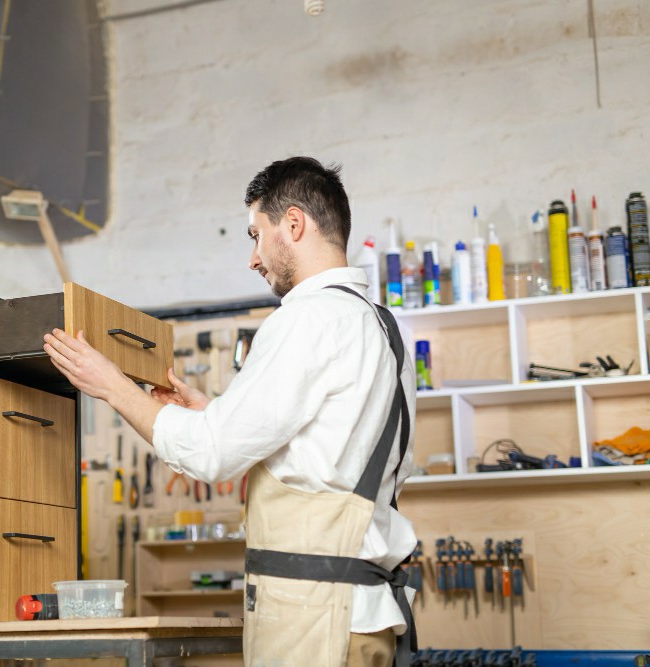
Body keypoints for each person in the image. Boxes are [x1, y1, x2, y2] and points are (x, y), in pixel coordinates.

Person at [43, 156, 417, 667]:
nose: (253, 258)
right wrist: (217, 412)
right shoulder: (382, 328)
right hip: (360, 613)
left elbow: (211, 455)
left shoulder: (306, 320)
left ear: (293, 224)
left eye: (254, 234)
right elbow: (326, 451)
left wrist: (112, 386)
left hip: (316, 619)